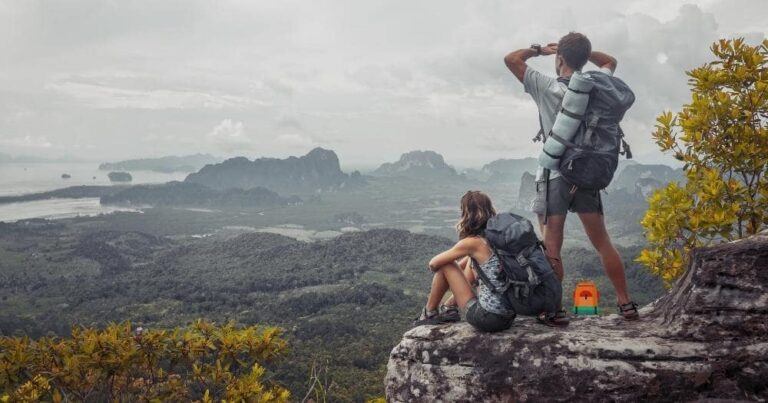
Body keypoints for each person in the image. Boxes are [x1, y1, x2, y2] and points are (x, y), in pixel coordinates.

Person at [503, 32, 640, 320]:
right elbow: (610, 60)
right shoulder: (596, 85)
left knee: (552, 243)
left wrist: (542, 50)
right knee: (602, 240)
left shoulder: (548, 86)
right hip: (587, 172)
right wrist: (582, 54)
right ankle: (626, 303)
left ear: (560, 58)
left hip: (555, 175)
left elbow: (511, 59)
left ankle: (555, 309)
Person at [412, 191, 516, 332]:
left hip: (487, 318)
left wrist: (446, 272)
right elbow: (470, 267)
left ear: (467, 214)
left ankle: (429, 313)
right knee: (468, 260)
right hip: (507, 318)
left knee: (446, 264)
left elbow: (434, 263)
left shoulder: (472, 243)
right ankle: (449, 308)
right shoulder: (498, 238)